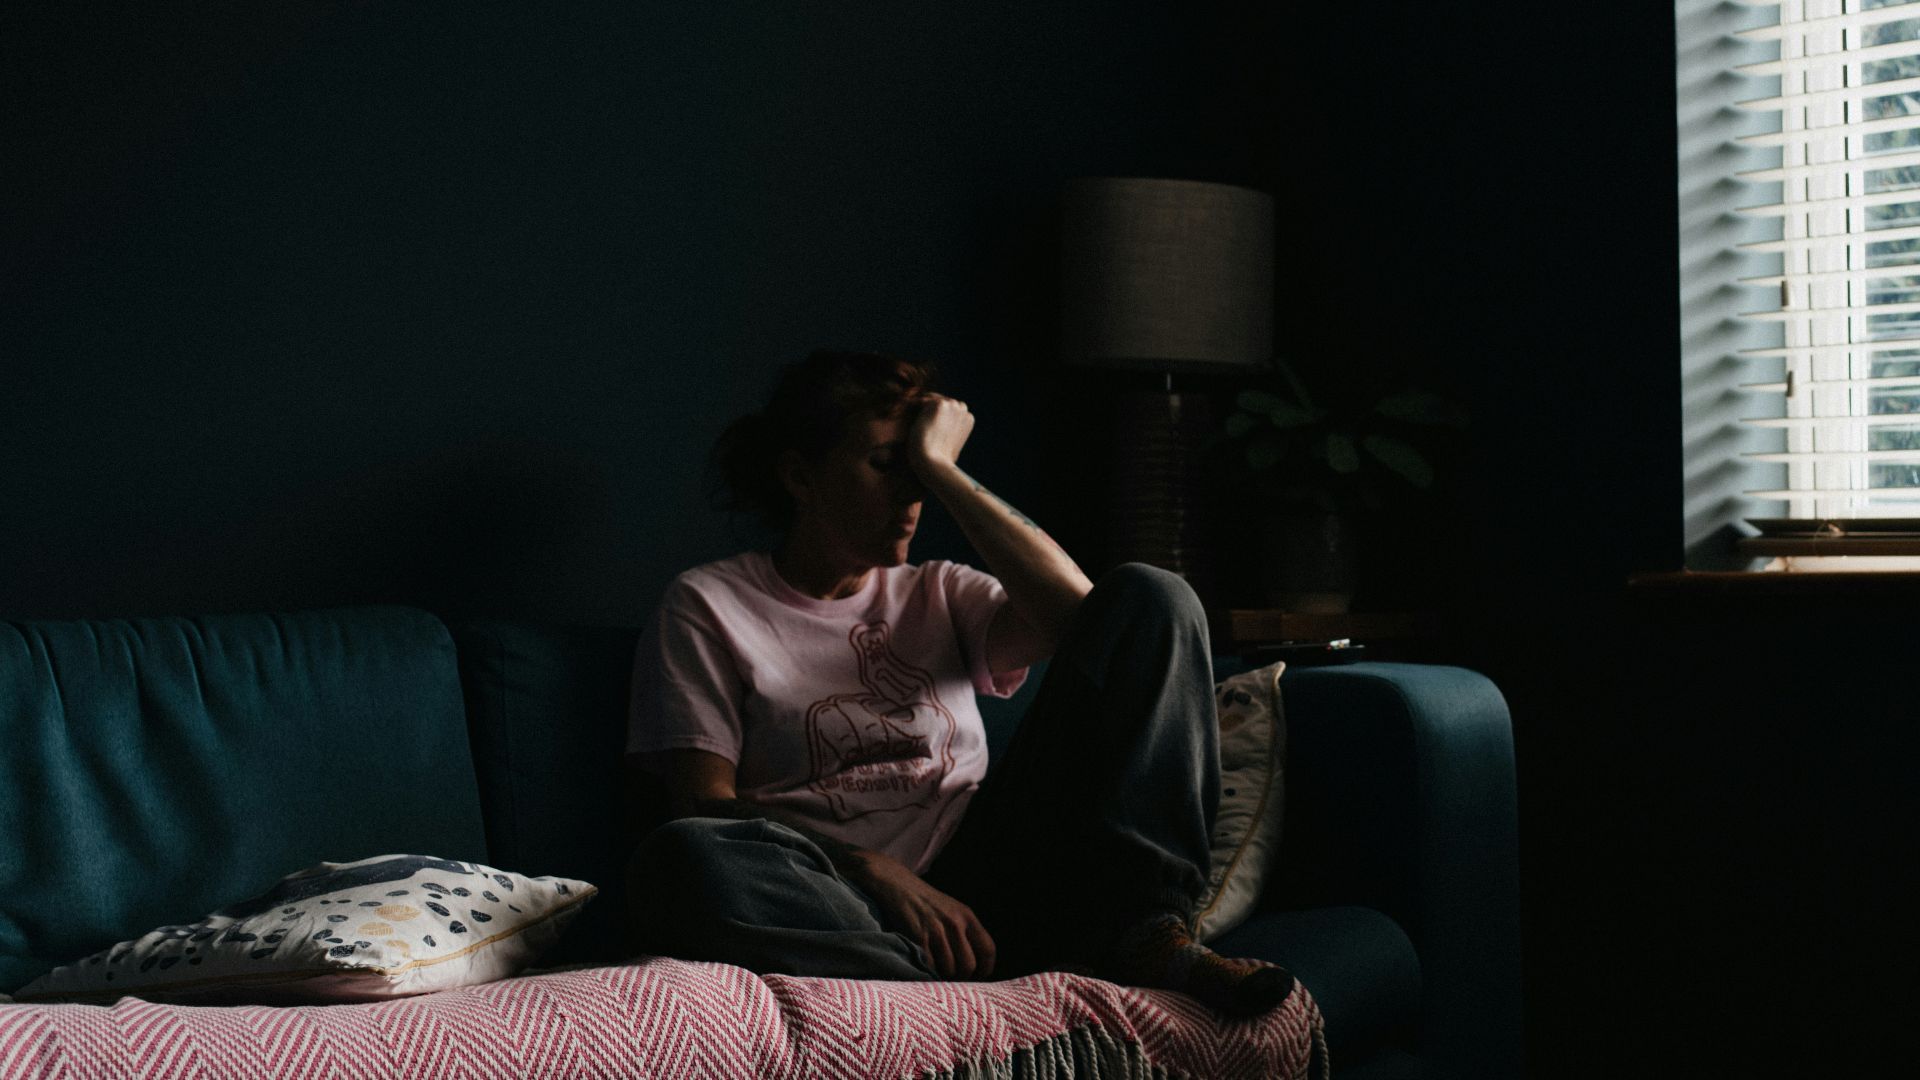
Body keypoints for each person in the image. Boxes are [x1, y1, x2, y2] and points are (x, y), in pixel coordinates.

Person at [623, 349, 1293, 1016]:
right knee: (686, 856)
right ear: (801, 476)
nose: (912, 495)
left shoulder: (941, 591)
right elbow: (703, 803)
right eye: (889, 466)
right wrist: (870, 868)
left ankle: (1150, 933)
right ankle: (963, 996)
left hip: (998, 875)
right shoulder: (707, 605)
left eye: (920, 470)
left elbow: (1090, 618)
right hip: (843, 897)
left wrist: (944, 469)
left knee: (1157, 594)